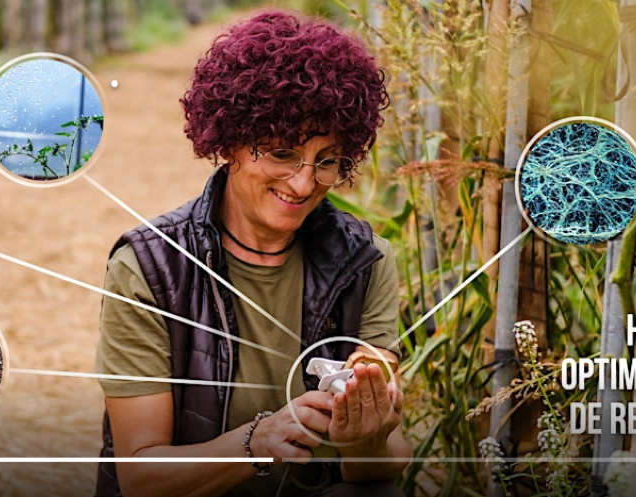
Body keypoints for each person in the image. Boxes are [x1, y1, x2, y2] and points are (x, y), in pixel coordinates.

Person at [95, 10, 411, 497]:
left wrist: (363, 439)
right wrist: (257, 441)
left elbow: (382, 469)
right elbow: (140, 477)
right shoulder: (149, 269)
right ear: (229, 142)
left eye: (327, 161)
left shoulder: (365, 264)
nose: (305, 183)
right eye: (282, 153)